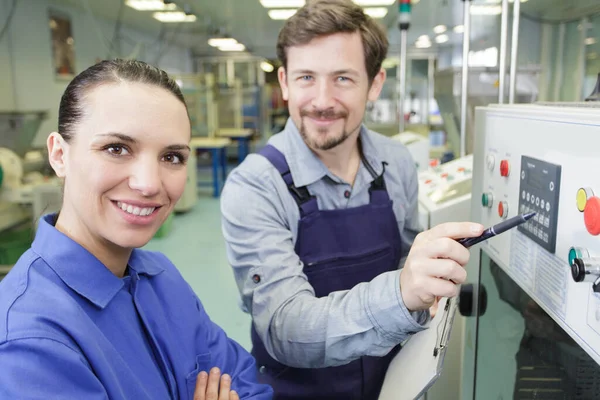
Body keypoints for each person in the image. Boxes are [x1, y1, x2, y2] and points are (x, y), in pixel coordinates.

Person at [219, 0, 484, 398]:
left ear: (375, 84)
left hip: (389, 384)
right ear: (285, 82)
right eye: (307, 77)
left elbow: (405, 258)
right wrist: (401, 294)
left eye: (342, 78)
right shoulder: (256, 185)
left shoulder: (396, 163)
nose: (322, 101)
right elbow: (284, 329)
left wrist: (428, 280)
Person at [0, 59, 273, 400]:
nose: (148, 184)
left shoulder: (162, 278)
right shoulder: (29, 339)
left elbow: (248, 384)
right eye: (116, 149)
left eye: (171, 157)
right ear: (59, 154)